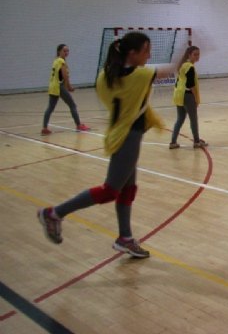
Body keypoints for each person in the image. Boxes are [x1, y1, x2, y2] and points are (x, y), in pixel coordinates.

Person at [37, 32, 179, 258]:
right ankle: (54, 213)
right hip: (128, 137)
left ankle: (125, 238)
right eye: (146, 50)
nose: (149, 55)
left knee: (128, 189)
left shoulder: (106, 76)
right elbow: (172, 69)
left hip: (121, 132)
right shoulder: (139, 75)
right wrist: (186, 54)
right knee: (110, 190)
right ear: (132, 53)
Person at [41, 44, 90, 135]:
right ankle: (79, 125)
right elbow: (64, 76)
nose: (66, 52)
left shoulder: (55, 61)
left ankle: (44, 128)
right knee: (72, 105)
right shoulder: (61, 61)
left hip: (53, 86)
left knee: (50, 107)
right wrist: (69, 86)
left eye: (67, 51)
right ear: (59, 51)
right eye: (64, 51)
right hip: (59, 86)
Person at [169, 45, 208, 149]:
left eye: (198, 54)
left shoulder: (183, 65)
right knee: (193, 119)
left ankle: (173, 142)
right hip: (187, 95)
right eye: (195, 54)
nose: (197, 56)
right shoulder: (190, 67)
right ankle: (196, 141)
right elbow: (191, 85)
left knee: (180, 119)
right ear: (189, 55)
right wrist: (196, 98)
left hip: (178, 94)